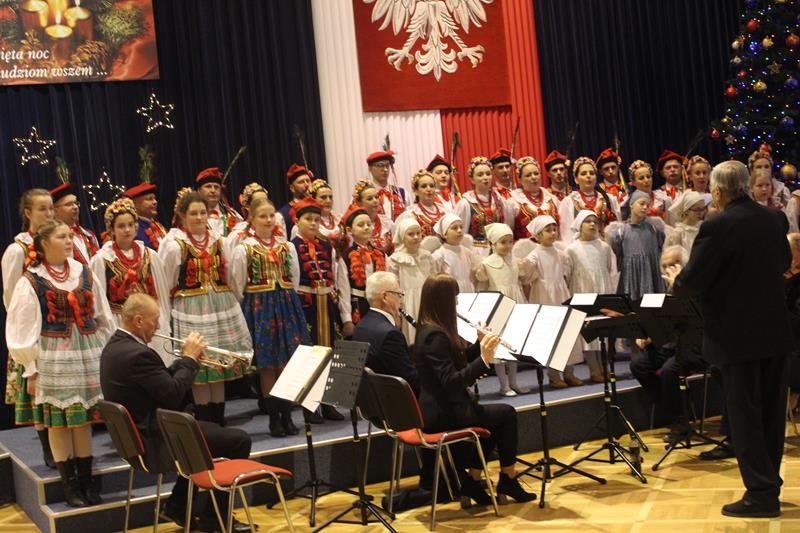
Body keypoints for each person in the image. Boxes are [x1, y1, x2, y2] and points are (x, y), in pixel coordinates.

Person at [664, 160, 793, 518]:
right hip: (774, 332)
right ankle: (769, 486)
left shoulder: (716, 225)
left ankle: (760, 495)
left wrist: (676, 279)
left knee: (745, 417)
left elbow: (692, 282)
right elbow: (784, 262)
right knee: (771, 415)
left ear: (718, 192)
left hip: (735, 337)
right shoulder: (774, 219)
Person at [99, 294, 253, 532]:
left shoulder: (115, 347)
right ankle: (215, 519)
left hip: (142, 435)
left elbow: (159, 382)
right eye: (154, 320)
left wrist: (186, 362)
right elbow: (172, 394)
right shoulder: (138, 354)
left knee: (214, 432)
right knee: (238, 440)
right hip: (155, 441)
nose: (158, 326)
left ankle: (179, 506)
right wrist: (189, 359)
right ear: (138, 321)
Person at [7, 218, 115, 507]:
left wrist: (110, 349)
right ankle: (70, 485)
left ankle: (86, 479)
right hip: (54, 356)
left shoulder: (83, 271)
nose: (69, 241)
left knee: (82, 421)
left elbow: (102, 314)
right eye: (61, 237)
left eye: (69, 236)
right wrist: (31, 369)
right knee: (59, 423)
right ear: (44, 243)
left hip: (86, 354)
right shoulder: (31, 280)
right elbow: (22, 329)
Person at [413, 273, 536, 504]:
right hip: (443, 413)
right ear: (443, 300)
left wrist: (479, 344)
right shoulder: (434, 336)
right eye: (454, 298)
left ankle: (474, 481)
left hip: (442, 407)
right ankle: (506, 479)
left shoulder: (430, 329)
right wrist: (485, 359)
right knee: (507, 415)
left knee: (493, 420)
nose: (457, 302)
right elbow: (451, 383)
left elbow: (456, 364)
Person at [159, 191, 252, 425]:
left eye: (203, 212)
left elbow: (230, 275)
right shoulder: (174, 245)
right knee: (200, 363)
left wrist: (232, 301)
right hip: (191, 308)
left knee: (217, 362)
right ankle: (205, 421)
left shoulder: (219, 241)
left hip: (220, 306)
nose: (199, 217)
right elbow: (167, 280)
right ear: (183, 216)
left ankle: (219, 418)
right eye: (194, 213)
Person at [229, 196, 310, 437]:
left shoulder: (286, 247)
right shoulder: (244, 249)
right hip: (260, 308)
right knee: (267, 365)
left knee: (286, 363)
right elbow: (238, 284)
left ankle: (287, 415)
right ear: (252, 219)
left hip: (285, 305)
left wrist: (287, 298)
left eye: (271, 215)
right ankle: (274, 418)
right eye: (262, 216)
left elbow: (294, 277)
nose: (267, 220)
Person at [2, 189, 54, 467]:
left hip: (56, 327)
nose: (49, 213)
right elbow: (11, 295)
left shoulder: (56, 243)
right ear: (28, 213)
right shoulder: (18, 250)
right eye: (43, 209)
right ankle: (47, 447)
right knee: (38, 390)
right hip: (32, 329)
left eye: (51, 208)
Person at [89, 198, 172, 365]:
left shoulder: (150, 255)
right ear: (111, 229)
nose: (127, 230)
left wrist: (164, 321)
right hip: (120, 322)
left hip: (150, 322)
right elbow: (99, 300)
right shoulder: (102, 259)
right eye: (121, 226)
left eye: (130, 224)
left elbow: (162, 293)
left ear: (136, 226)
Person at [524, 215, 584, 387]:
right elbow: (527, 277)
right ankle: (553, 374)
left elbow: (566, 275)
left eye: (554, 229)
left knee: (566, 332)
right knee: (551, 334)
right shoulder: (534, 255)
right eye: (547, 231)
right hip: (544, 296)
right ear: (538, 235)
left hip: (561, 294)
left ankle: (569, 372)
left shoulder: (561, 254)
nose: (552, 233)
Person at [475, 223, 530, 396]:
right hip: (498, 306)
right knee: (499, 346)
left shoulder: (514, 261)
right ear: (493, 243)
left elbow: (520, 281)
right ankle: (503, 385)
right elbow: (482, 285)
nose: (507, 246)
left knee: (513, 344)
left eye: (510, 241)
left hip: (515, 303)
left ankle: (514, 382)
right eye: (503, 242)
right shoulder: (487, 263)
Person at [565, 210, 617, 383]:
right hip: (582, 291)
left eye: (595, 221)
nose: (592, 224)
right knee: (589, 331)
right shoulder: (572, 249)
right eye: (588, 221)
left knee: (603, 329)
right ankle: (594, 370)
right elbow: (568, 273)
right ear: (579, 225)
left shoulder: (604, 247)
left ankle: (605, 367)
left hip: (601, 289)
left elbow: (609, 268)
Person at [353, 271, 418, 393]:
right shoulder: (390, 334)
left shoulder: (360, 326)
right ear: (384, 297)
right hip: (394, 400)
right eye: (399, 295)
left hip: (372, 399)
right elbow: (411, 382)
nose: (401, 301)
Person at [387, 217, 440, 344]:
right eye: (410, 234)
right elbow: (393, 285)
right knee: (412, 336)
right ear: (402, 236)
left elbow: (434, 279)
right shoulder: (395, 259)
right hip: (408, 302)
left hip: (427, 300)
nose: (416, 237)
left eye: (418, 233)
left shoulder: (427, 256)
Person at [455, 156, 513, 255]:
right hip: (476, 252)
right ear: (472, 179)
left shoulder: (500, 200)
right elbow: (460, 234)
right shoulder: (466, 203)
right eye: (480, 175)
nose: (485, 178)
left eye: (488, 174)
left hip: (499, 251)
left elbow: (508, 226)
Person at [558, 157, 619, 243]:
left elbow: (617, 228)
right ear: (576, 179)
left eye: (592, 173)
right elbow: (566, 234)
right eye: (583, 174)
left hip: (604, 247)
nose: (588, 176)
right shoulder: (568, 202)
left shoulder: (609, 199)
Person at [509, 156, 559, 240]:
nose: (533, 177)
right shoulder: (513, 202)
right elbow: (509, 231)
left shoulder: (552, 198)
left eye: (536, 173)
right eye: (528, 175)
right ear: (520, 179)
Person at [50, 182, 99, 265]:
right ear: (55, 211)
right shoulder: (53, 239)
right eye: (69, 204)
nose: (75, 207)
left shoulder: (89, 235)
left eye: (76, 203)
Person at [195, 167, 243, 237]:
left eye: (216, 187)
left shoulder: (233, 215)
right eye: (208, 186)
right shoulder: (192, 216)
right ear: (199, 190)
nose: (213, 190)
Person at [123, 181, 167, 251]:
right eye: (149, 199)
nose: (155, 202)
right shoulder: (134, 230)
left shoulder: (157, 225)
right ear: (135, 204)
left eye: (154, 198)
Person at [367, 150, 409, 222]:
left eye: (387, 166)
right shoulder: (363, 194)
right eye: (380, 165)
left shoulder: (402, 193)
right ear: (370, 168)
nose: (385, 169)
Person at [400, 170, 445, 236]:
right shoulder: (411, 214)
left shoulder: (444, 210)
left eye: (431, 186)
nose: (429, 189)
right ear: (416, 191)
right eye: (424, 186)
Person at [278, 164, 313, 237]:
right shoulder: (283, 214)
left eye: (308, 181)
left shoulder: (318, 208)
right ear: (292, 188)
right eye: (301, 182)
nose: (306, 185)